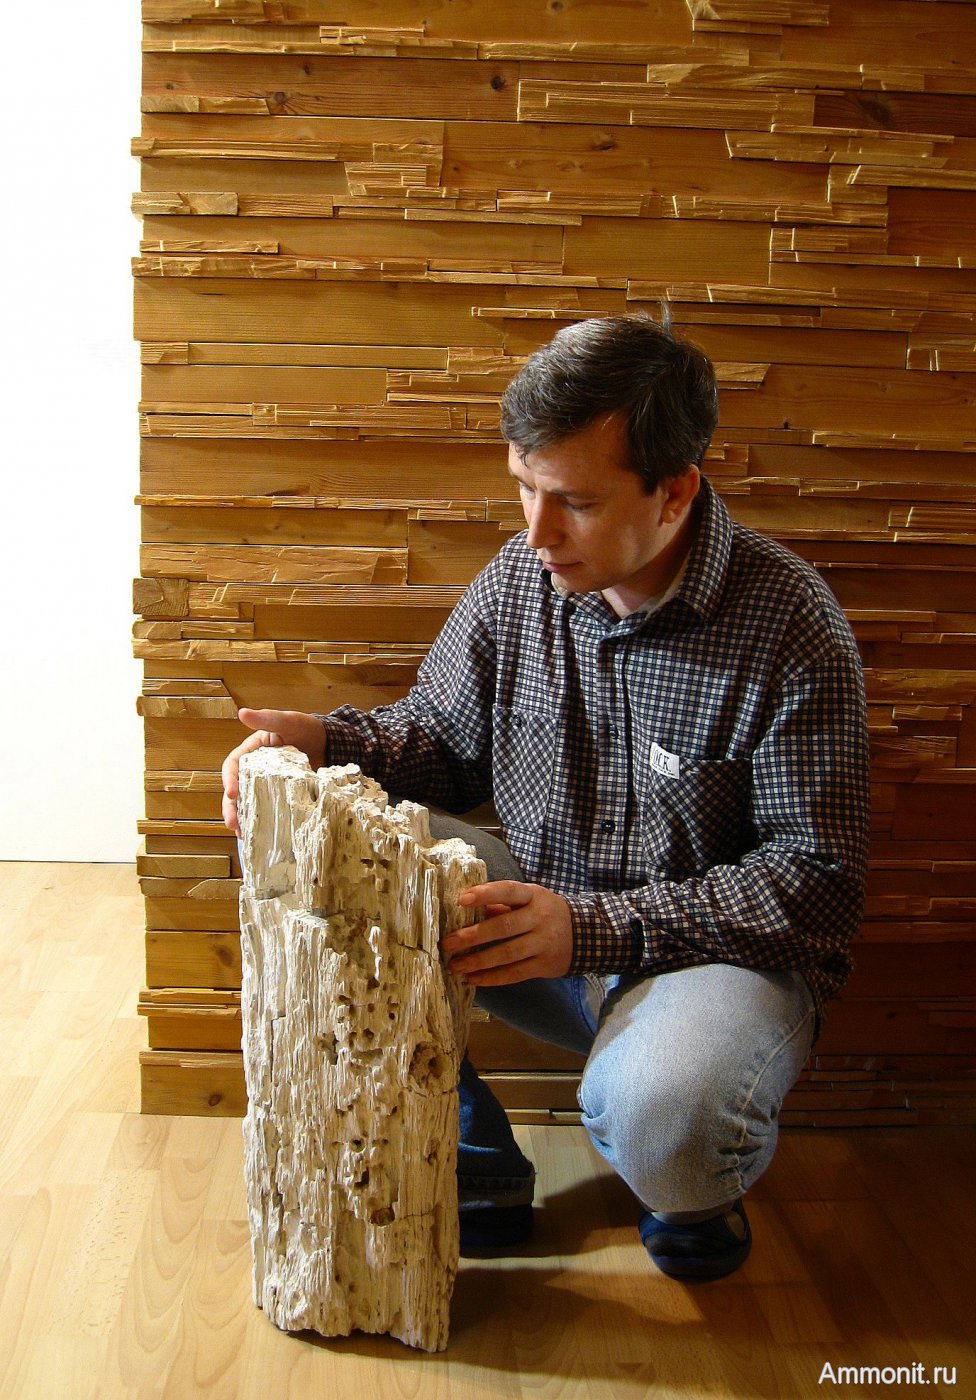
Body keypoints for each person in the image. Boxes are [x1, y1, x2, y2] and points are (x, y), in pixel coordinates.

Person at [222, 311, 870, 1281]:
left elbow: (814, 884)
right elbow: (440, 740)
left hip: (710, 966)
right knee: (317, 842)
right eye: (523, 485)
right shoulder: (522, 578)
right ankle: (472, 1150)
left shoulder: (791, 624)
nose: (536, 531)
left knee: (667, 1122)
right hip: (538, 931)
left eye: (573, 500)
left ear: (675, 490)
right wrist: (318, 745)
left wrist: (591, 929)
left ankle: (686, 1173)